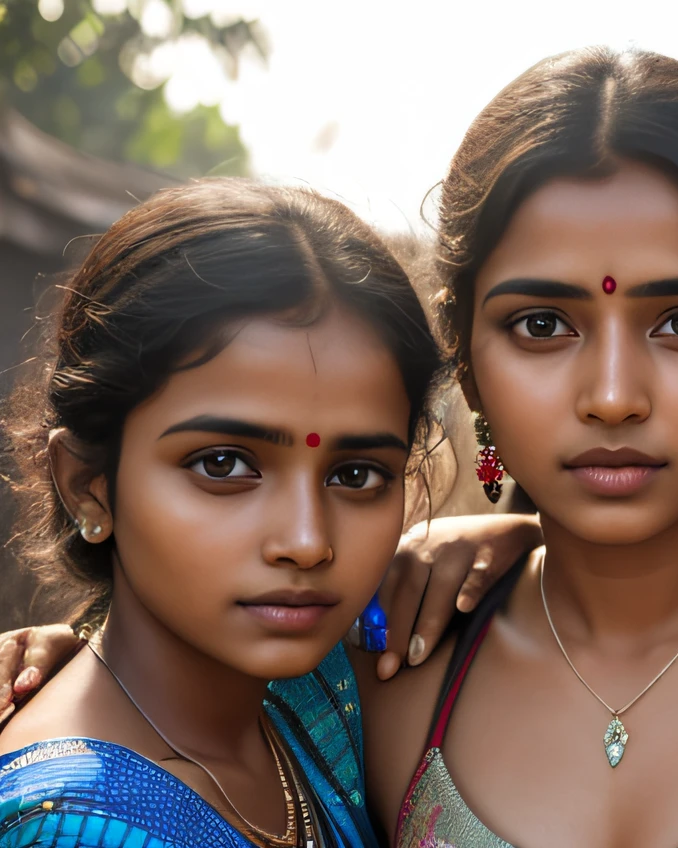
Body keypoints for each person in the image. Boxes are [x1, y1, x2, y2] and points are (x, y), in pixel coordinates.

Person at [1, 49, 678, 848]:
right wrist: (51, 658)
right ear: (468, 359)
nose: (614, 396)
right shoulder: (390, 659)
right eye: (542, 325)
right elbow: (147, 687)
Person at [0, 180, 446, 847]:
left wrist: (516, 538)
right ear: (89, 485)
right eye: (223, 466)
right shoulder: (70, 826)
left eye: (356, 476)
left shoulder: (311, 701)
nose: (306, 541)